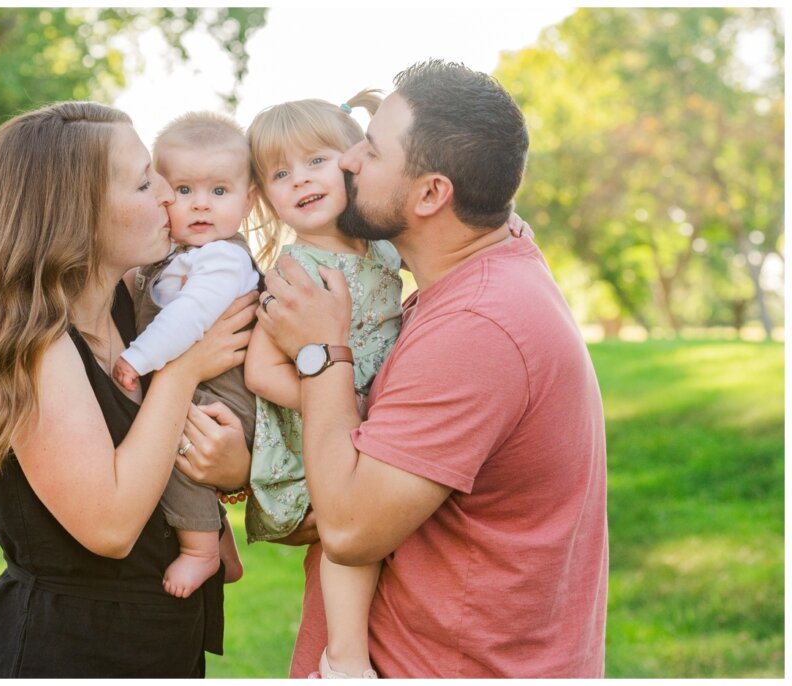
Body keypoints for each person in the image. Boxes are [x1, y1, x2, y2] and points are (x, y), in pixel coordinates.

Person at [256, 60, 609, 677]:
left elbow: (348, 529)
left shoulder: (476, 328)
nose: (347, 161)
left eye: (369, 149)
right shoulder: (492, 258)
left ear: (430, 194)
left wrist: (322, 353)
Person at [0, 101, 258, 678]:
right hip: (70, 650)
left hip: (159, 642)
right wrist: (182, 370)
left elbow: (169, 457)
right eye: (142, 181)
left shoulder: (138, 308)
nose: (166, 195)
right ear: (76, 213)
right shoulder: (37, 347)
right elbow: (109, 526)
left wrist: (231, 474)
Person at [241, 93, 403, 679]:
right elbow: (261, 372)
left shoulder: (382, 245)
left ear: (354, 160)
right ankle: (345, 659)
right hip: (316, 440)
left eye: (316, 161)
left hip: (370, 424)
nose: (301, 180)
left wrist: (507, 220)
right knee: (352, 540)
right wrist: (342, 401)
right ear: (265, 197)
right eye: (281, 173)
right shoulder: (295, 271)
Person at [110, 111, 260, 599]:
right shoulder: (177, 254)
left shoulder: (223, 258)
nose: (201, 205)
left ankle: (202, 551)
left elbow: (190, 317)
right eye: (185, 190)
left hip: (224, 397)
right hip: (203, 384)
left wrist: (138, 357)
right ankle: (218, 539)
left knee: (174, 448)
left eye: (219, 191)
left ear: (248, 200)